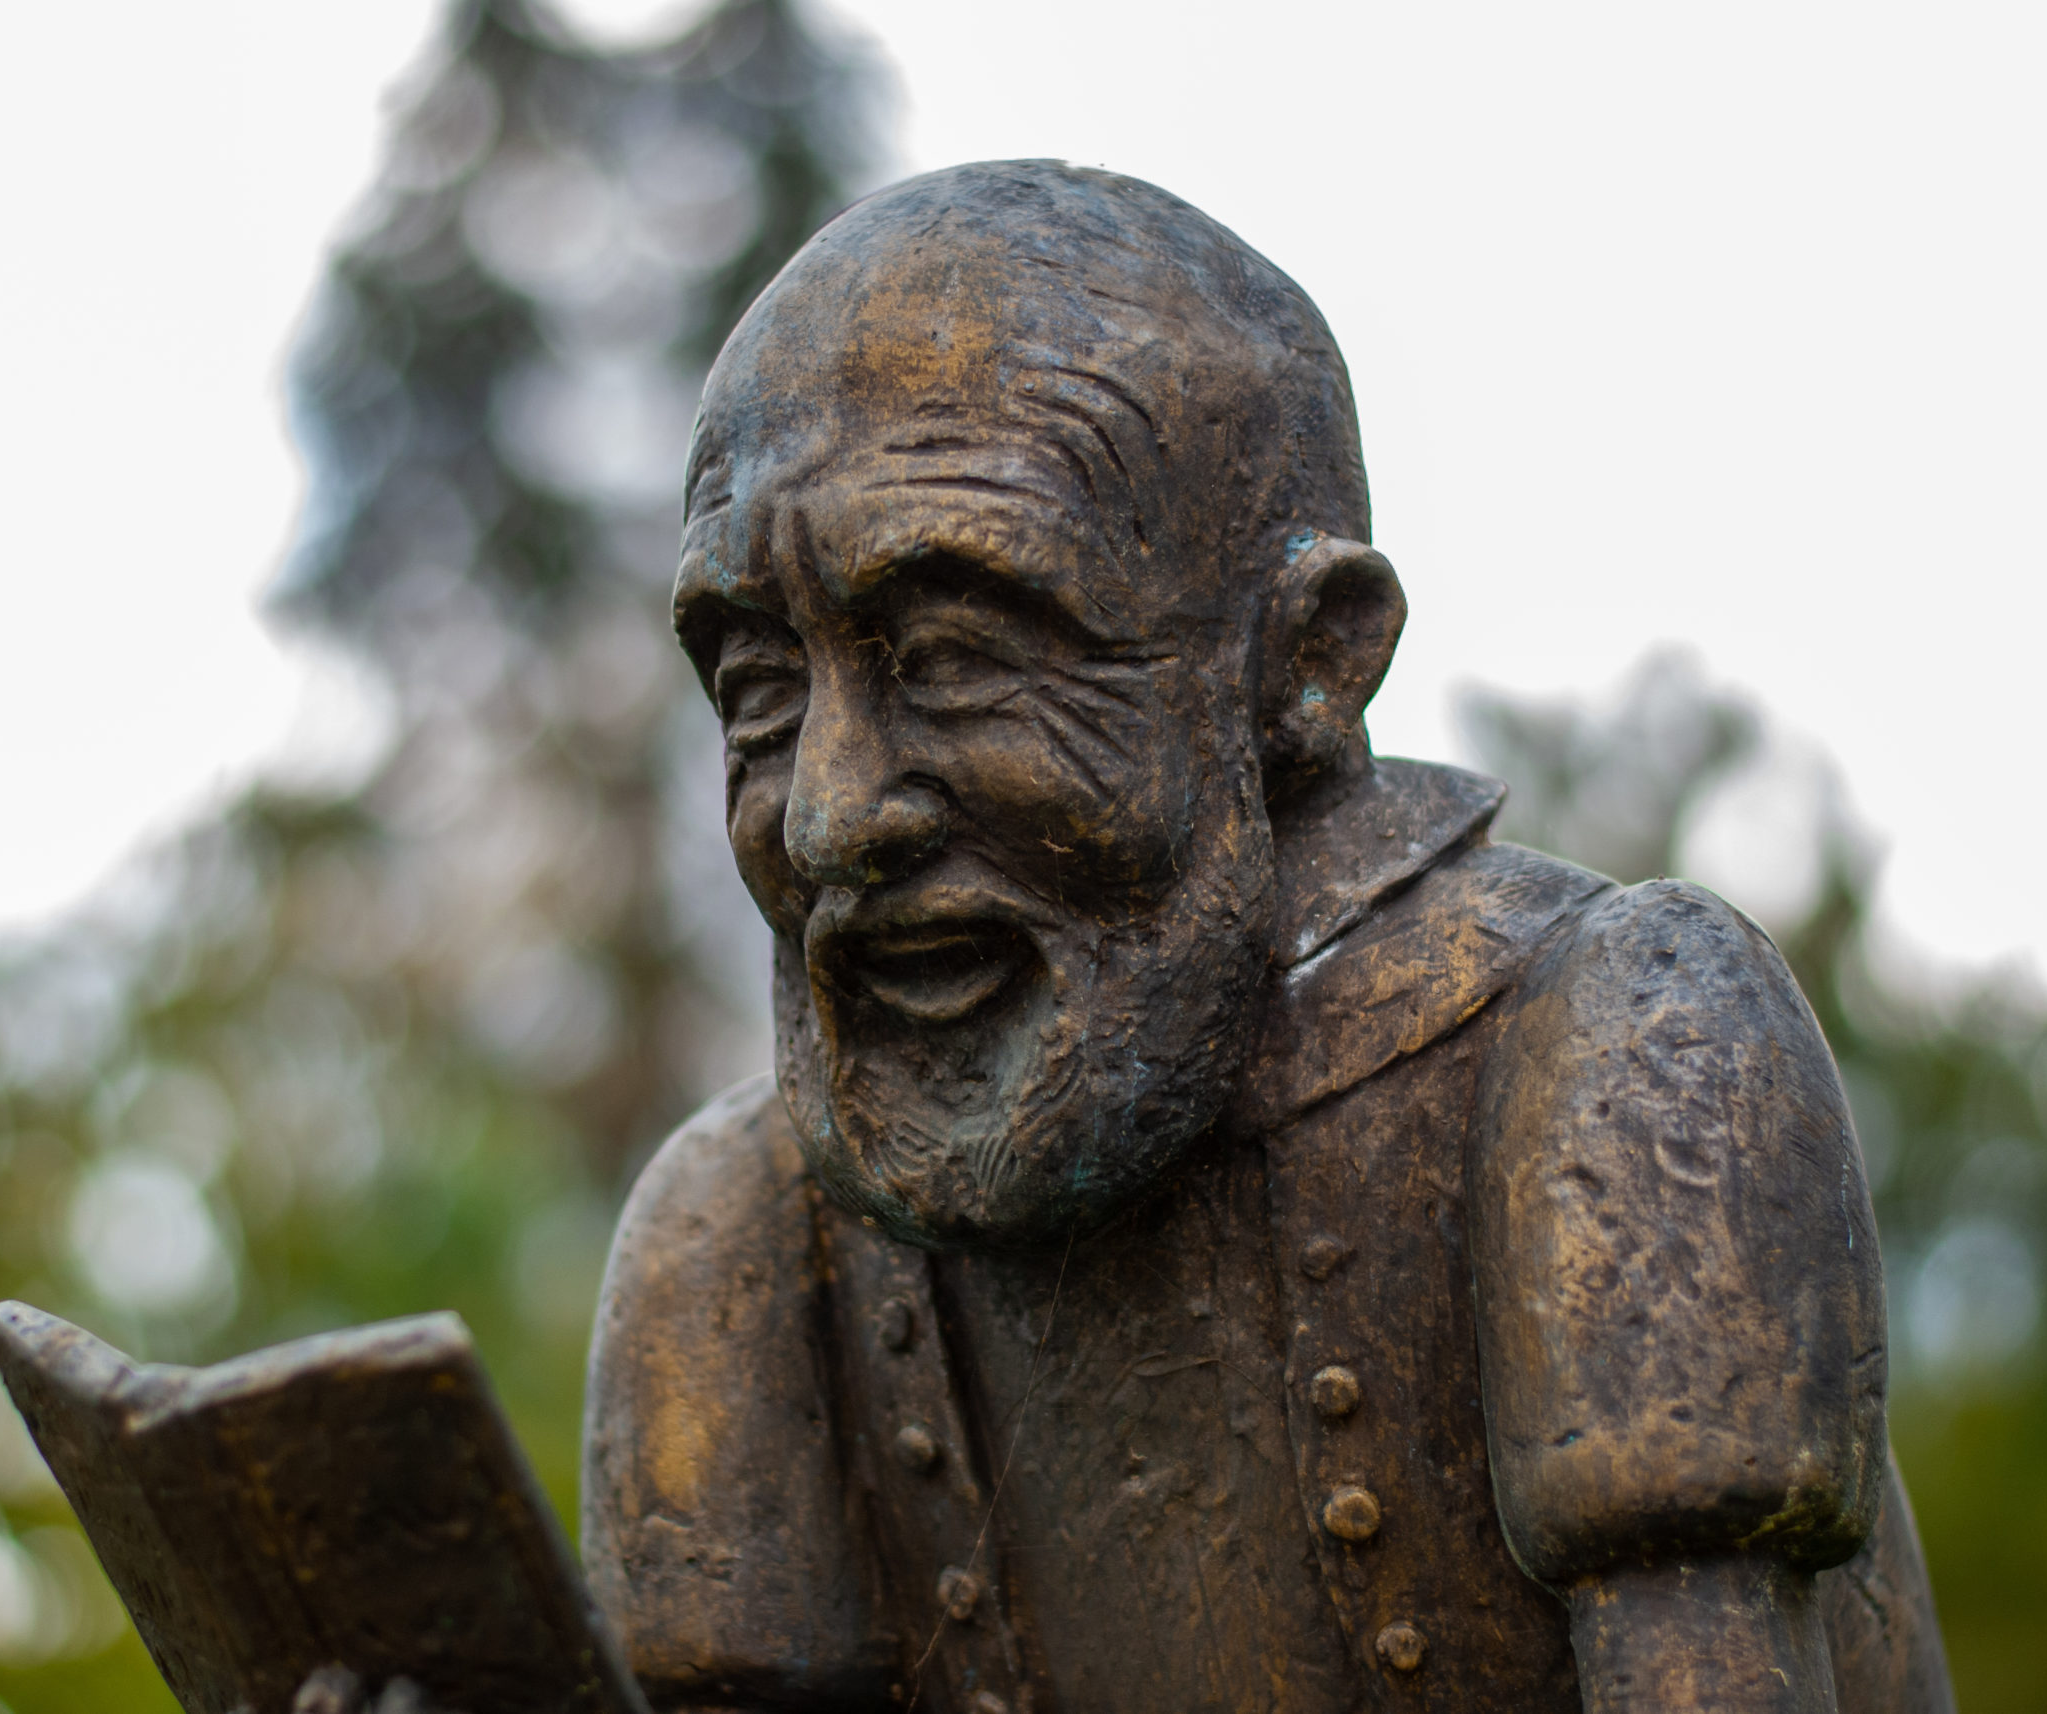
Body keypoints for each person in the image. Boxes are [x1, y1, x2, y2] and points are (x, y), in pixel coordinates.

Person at [582, 160, 1952, 1714]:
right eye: (763, 694)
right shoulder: (738, 1229)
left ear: (1310, 663)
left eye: (958, 659)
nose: (829, 818)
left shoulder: (1619, 1049)